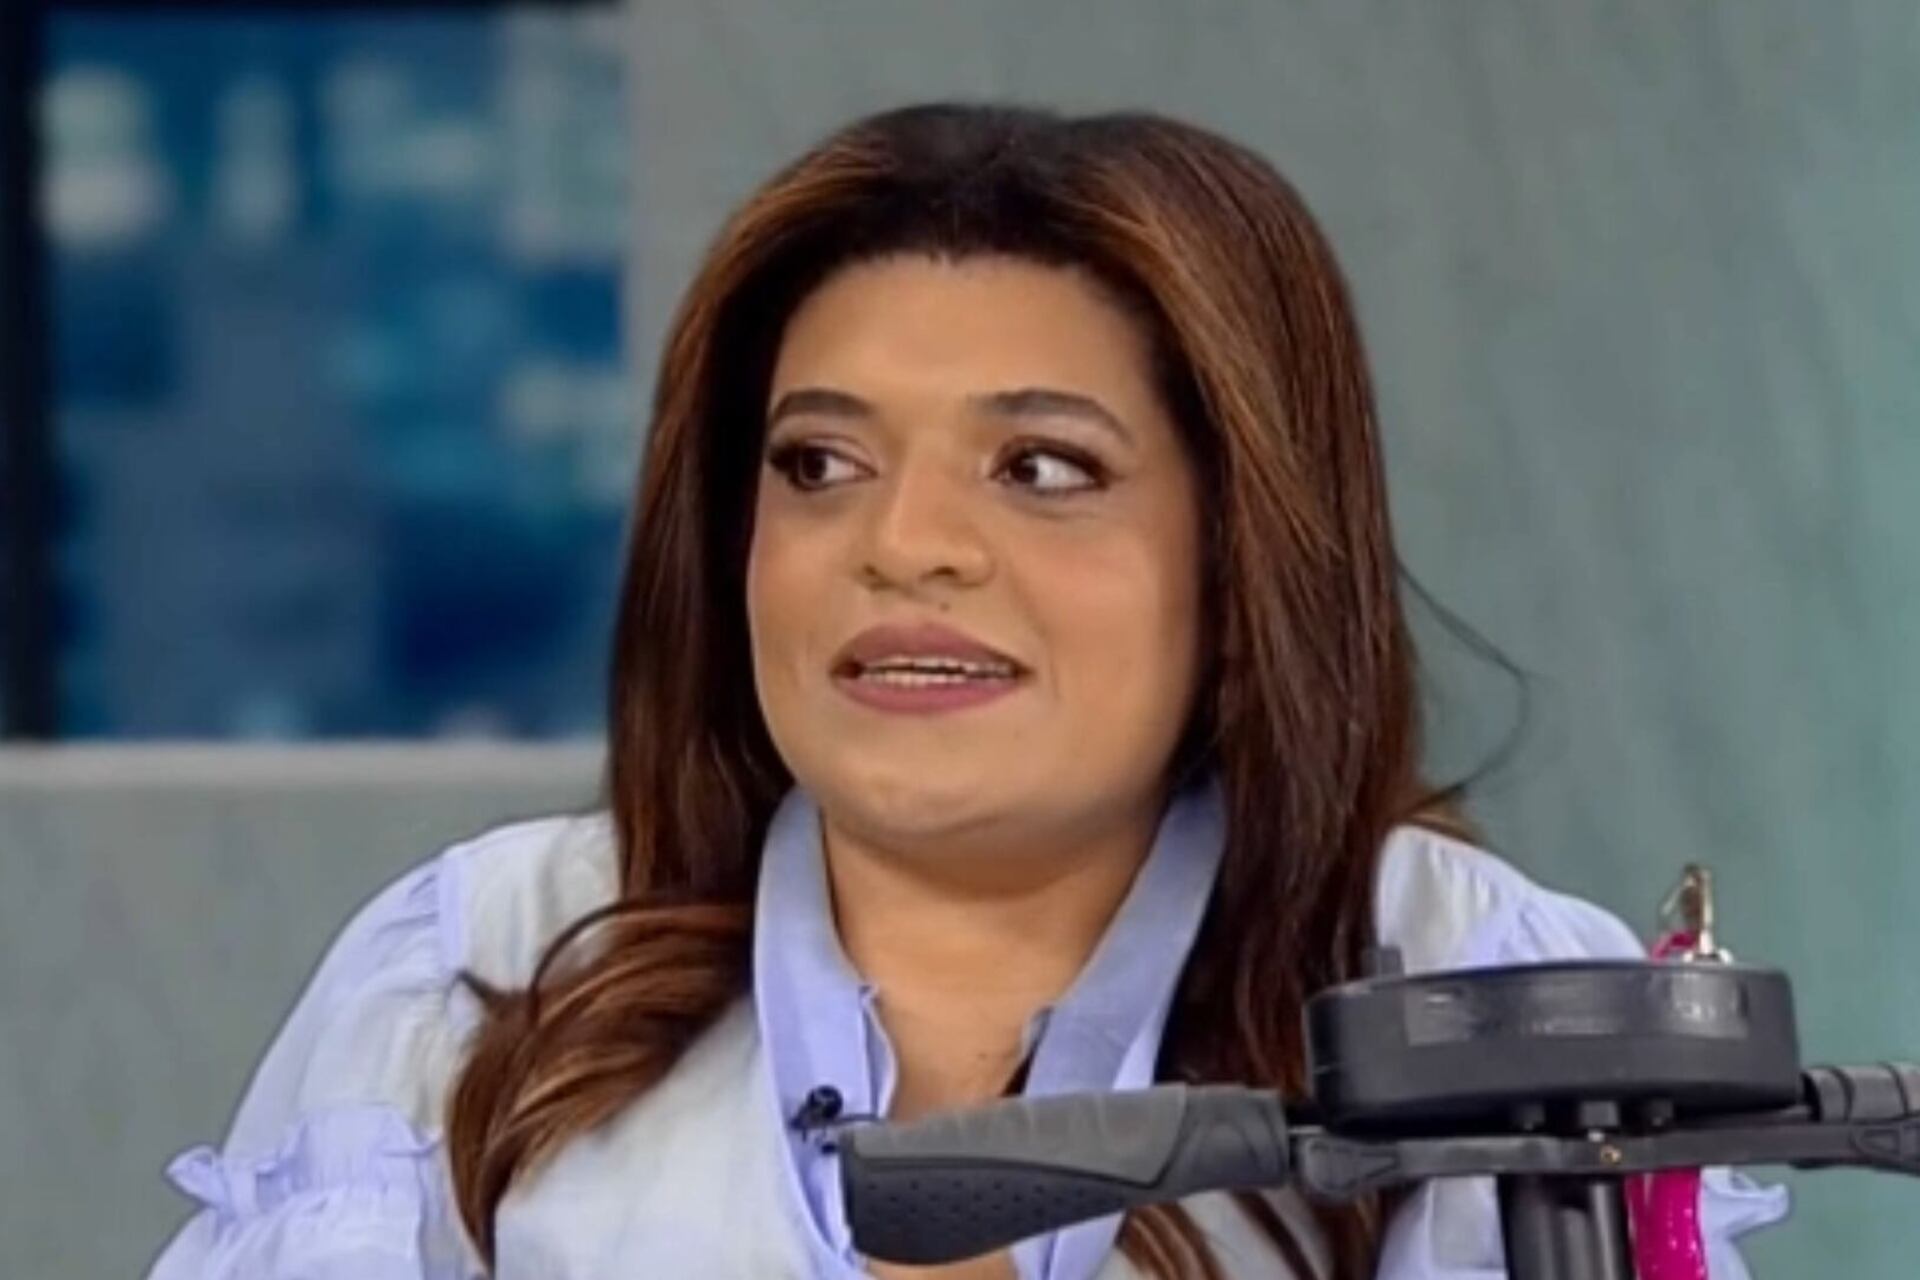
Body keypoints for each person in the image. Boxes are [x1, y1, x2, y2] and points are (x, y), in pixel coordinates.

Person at [146, 104, 1786, 1280]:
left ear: (1245, 558)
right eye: (819, 464)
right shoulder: (479, 977)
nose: (902, 544)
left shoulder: (1472, 980)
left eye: (1041, 467)